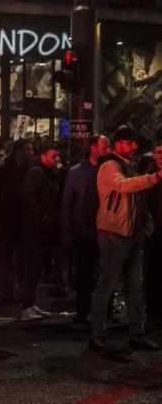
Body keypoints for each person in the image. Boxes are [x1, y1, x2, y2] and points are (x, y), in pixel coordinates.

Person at [89, 127, 162, 352]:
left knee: (134, 288)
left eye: (135, 143)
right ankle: (97, 336)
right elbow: (123, 186)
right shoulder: (111, 165)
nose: (134, 147)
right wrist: (156, 177)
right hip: (115, 235)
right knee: (107, 287)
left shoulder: (128, 165)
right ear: (118, 143)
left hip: (130, 235)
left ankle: (136, 333)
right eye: (130, 143)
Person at [60, 134, 112, 324]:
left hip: (106, 231)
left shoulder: (111, 169)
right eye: (105, 147)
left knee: (106, 274)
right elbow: (67, 203)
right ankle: (83, 310)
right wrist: (67, 231)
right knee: (84, 274)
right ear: (93, 148)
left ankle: (104, 312)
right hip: (84, 232)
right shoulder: (76, 172)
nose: (108, 151)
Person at [19, 144, 62, 321]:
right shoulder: (37, 172)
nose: (57, 160)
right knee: (32, 267)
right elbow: (27, 195)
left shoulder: (46, 173)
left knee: (36, 268)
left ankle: (30, 304)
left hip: (41, 228)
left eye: (57, 156)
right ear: (43, 156)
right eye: (54, 156)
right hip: (35, 229)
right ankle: (26, 306)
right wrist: (43, 215)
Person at [0, 139, 34, 305]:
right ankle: (7, 291)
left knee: (24, 259)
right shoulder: (2, 169)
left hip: (24, 221)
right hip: (6, 221)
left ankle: (23, 291)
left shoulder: (30, 169)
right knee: (6, 258)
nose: (31, 152)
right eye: (28, 149)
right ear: (18, 151)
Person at [146, 139, 162, 326]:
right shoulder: (149, 174)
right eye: (158, 152)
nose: (161, 156)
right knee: (154, 274)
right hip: (154, 232)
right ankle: (153, 313)